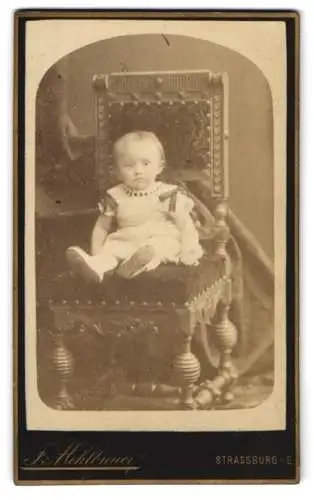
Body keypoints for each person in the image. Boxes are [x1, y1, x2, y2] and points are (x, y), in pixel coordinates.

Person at [66, 130, 204, 283]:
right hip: (128, 238)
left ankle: (136, 265)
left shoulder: (167, 194)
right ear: (117, 172)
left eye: (145, 163)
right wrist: (96, 254)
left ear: (159, 167)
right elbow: (101, 227)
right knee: (112, 249)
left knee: (156, 248)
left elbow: (184, 224)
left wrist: (189, 248)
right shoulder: (115, 196)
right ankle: (96, 266)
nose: (138, 171)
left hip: (159, 237)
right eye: (129, 166)